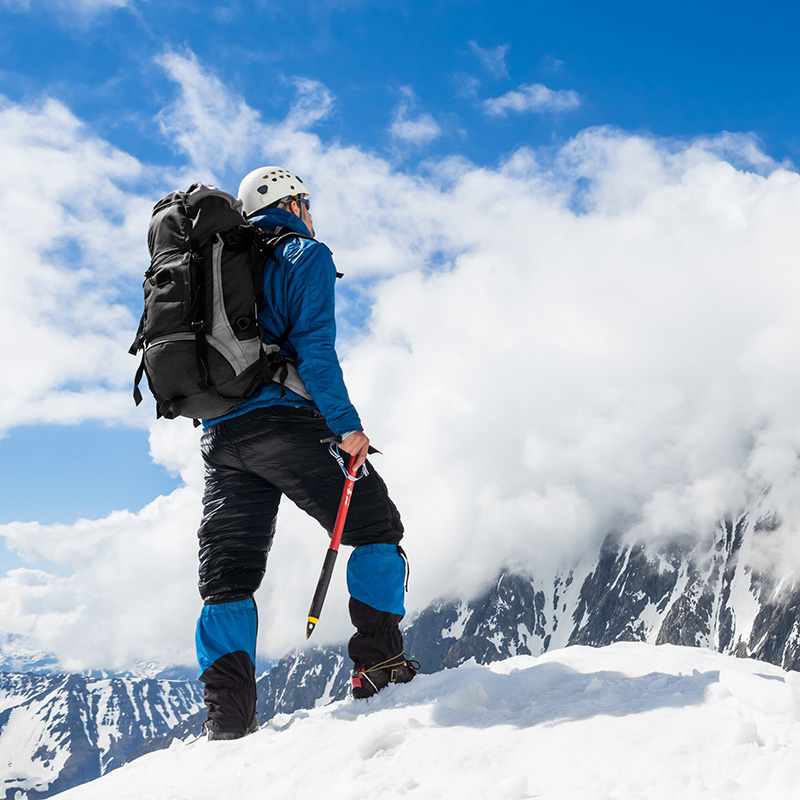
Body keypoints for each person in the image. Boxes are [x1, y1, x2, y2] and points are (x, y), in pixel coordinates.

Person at [194, 166, 415, 741]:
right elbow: (316, 353)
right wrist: (348, 428)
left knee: (228, 580)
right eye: (307, 201)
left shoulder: (214, 263)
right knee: (375, 527)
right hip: (287, 424)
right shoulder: (303, 255)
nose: (311, 212)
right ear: (290, 203)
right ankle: (380, 665)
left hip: (221, 438)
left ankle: (228, 723)